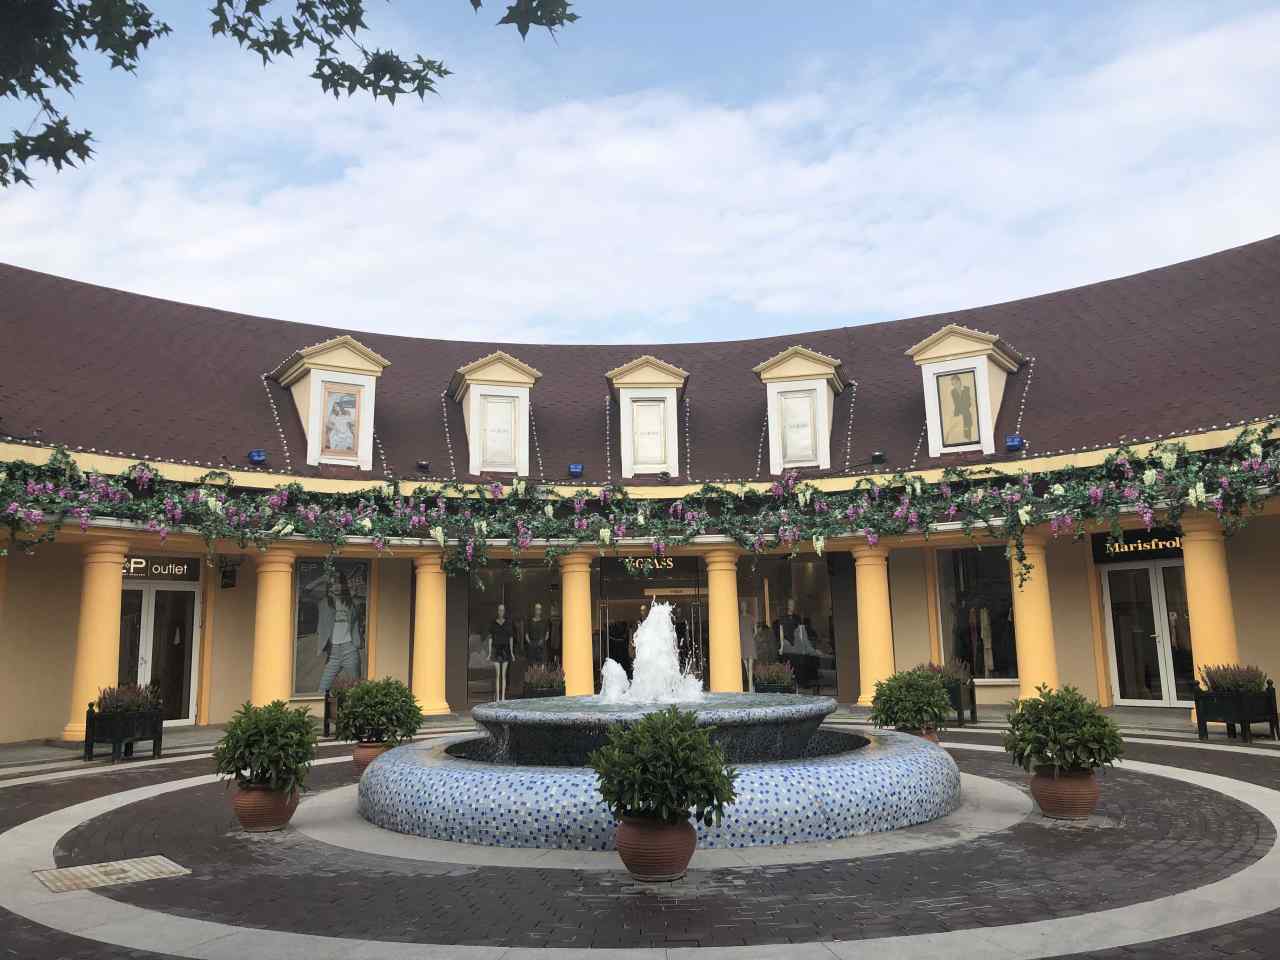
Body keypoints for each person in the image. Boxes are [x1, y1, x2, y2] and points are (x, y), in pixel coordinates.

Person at [317, 569, 364, 695]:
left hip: (350, 649)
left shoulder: (352, 602)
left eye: (339, 583)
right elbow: (306, 592)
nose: (336, 586)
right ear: (329, 586)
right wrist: (321, 579)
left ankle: (350, 709)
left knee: (356, 690)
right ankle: (330, 708)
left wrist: (354, 590)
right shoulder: (324, 602)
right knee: (323, 690)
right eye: (333, 584)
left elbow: (365, 597)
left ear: (344, 585)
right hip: (333, 652)